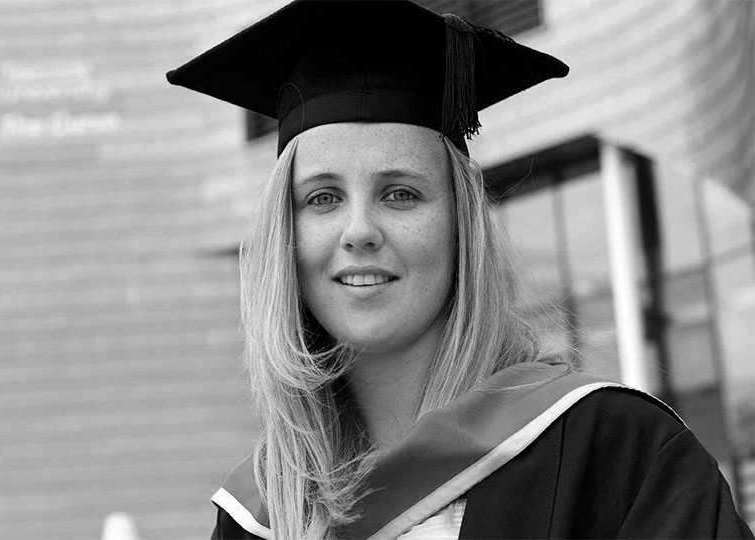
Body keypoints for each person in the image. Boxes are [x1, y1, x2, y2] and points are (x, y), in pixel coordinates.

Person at [166, 1, 755, 539]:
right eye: (322, 198)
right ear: (284, 239)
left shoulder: (613, 452)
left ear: (460, 227)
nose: (360, 230)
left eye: (401, 193)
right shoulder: (261, 515)